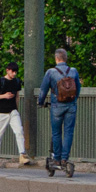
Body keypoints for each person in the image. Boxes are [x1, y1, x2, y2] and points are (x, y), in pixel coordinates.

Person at [37, 48, 81, 178]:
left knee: (56, 133)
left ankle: (56, 158)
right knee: (69, 132)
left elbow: (43, 90)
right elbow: (78, 88)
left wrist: (40, 102)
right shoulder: (73, 71)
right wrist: (73, 101)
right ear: (66, 58)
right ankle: (64, 159)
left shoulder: (51, 72)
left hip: (56, 106)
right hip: (71, 106)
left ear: (56, 59)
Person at [0, 61, 29, 168]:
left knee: (19, 131)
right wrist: (4, 96)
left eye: (15, 72)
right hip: (1, 112)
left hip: (13, 111)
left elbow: (17, 96)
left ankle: (22, 154)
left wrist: (16, 109)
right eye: (12, 71)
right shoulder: (0, 81)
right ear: (7, 70)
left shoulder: (16, 82)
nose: (14, 74)